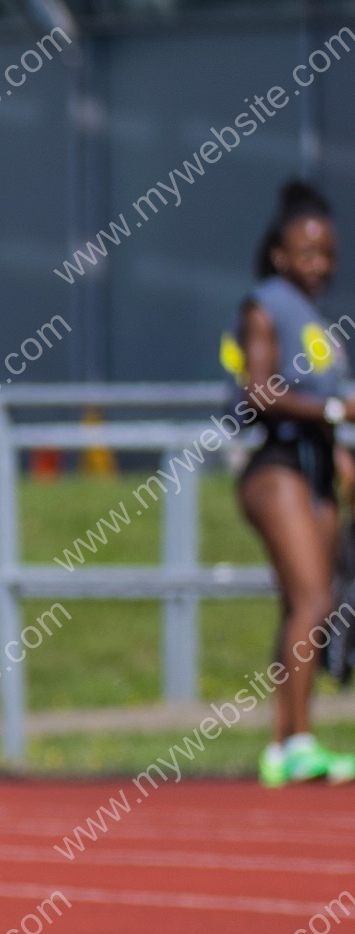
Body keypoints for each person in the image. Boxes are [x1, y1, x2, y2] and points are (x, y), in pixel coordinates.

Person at [224, 180, 355, 787]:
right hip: (276, 467)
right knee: (312, 600)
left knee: (304, 605)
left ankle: (285, 744)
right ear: (279, 253)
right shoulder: (265, 303)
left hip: (317, 469)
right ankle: (298, 741)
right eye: (307, 252)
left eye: (327, 252)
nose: (320, 264)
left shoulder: (319, 320)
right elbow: (259, 388)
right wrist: (333, 415)